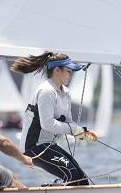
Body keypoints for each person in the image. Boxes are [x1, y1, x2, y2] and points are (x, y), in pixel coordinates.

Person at [11, 52, 97, 186]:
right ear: (57, 70)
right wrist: (74, 130)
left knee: (80, 176)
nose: (71, 74)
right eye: (68, 71)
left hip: (49, 145)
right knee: (71, 174)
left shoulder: (66, 92)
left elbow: (68, 121)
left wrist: (82, 133)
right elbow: (47, 124)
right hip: (33, 147)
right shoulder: (46, 91)